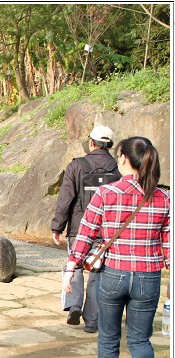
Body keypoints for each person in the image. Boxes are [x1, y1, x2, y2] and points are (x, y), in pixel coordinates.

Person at [62, 136, 169, 358]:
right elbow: (168, 244)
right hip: (148, 278)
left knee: (109, 340)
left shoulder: (107, 193)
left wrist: (72, 269)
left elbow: (85, 234)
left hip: (113, 275)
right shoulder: (164, 198)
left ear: (122, 159)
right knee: (140, 340)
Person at [52, 125, 120, 332]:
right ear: (110, 145)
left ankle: (73, 305)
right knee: (98, 271)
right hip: (106, 230)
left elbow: (66, 198)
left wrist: (57, 226)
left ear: (91, 142)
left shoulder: (77, 165)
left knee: (76, 265)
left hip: (78, 226)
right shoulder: (118, 168)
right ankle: (92, 321)